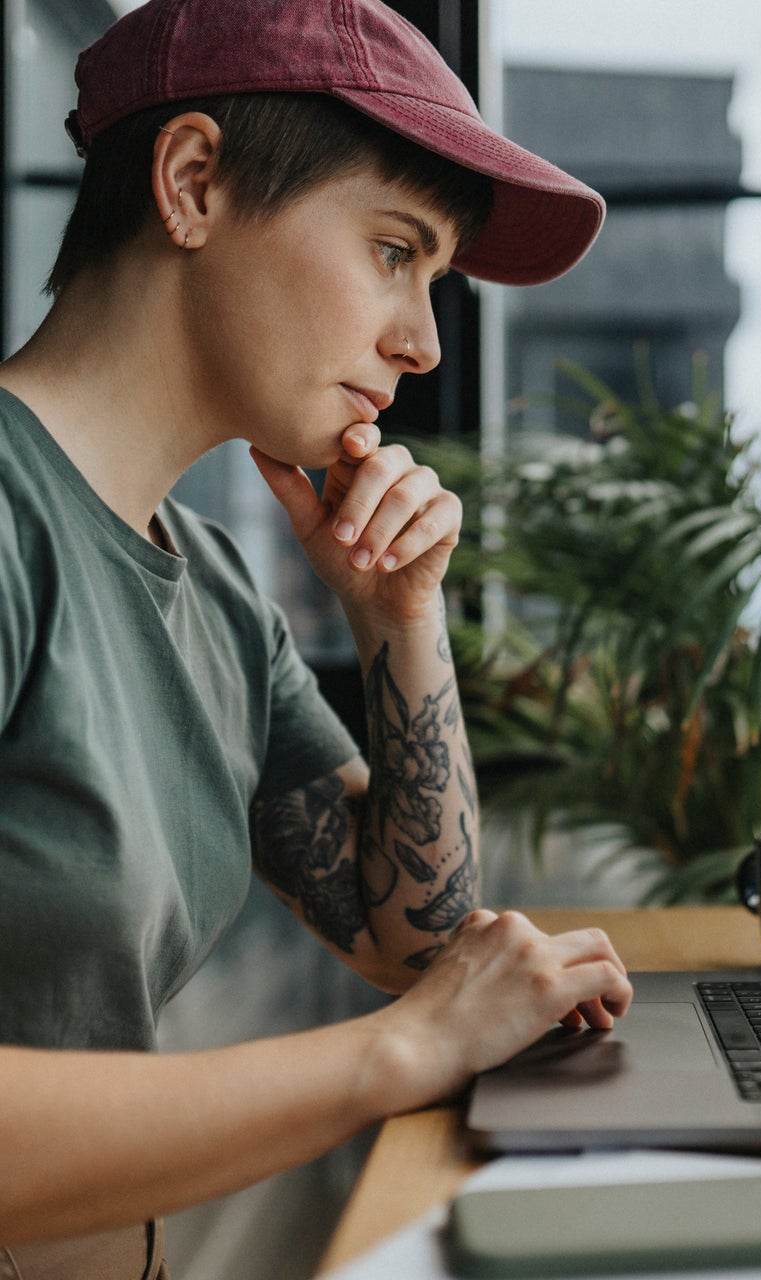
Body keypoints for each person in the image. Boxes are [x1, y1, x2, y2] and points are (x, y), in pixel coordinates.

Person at [0, 0, 633, 1275]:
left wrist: (400, 619)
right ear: (191, 184)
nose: (425, 340)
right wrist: (396, 1055)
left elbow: (407, 933)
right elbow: (419, 1006)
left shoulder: (217, 588)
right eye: (394, 249)